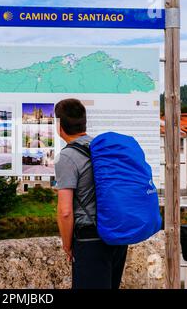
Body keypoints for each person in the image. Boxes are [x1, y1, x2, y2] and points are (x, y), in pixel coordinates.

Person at [54, 98, 128, 289]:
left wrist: (67, 245)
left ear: (59, 125)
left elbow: (65, 211)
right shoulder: (100, 148)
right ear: (84, 122)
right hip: (116, 236)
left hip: (90, 240)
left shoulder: (67, 156)